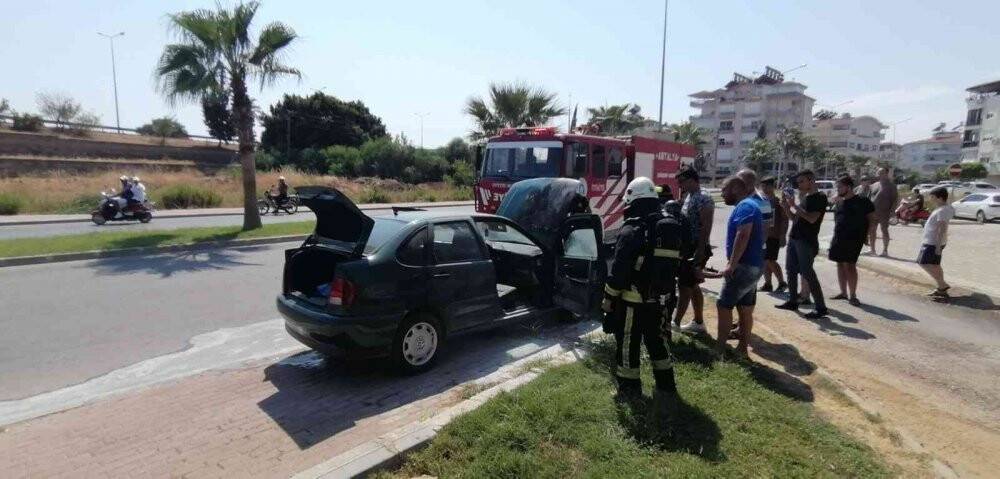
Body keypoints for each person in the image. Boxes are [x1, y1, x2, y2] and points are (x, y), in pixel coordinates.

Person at [601, 177, 683, 422]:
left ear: (631, 199)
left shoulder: (631, 230)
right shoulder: (667, 226)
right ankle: (666, 386)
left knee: (628, 344)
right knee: (657, 342)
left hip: (633, 302)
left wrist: (608, 299)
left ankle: (629, 390)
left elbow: (619, 273)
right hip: (660, 300)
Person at [703, 176, 764, 358]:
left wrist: (731, 265)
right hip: (754, 265)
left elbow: (743, 234)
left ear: (736, 188)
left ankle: (719, 350)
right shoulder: (751, 205)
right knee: (745, 308)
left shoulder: (745, 206)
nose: (722, 193)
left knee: (724, 305)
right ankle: (742, 349)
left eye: (724, 190)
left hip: (744, 267)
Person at [776, 170, 829, 318]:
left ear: (811, 181)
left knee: (807, 273)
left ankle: (821, 307)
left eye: (801, 182)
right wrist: (786, 207)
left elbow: (812, 219)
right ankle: (793, 301)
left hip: (806, 240)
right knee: (790, 270)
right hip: (795, 238)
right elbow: (795, 218)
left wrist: (794, 205)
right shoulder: (806, 198)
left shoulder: (819, 197)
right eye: (798, 182)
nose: (798, 185)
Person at [673, 167, 714, 334]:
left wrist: (700, 250)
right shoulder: (690, 196)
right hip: (689, 246)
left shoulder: (704, 197)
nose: (680, 185)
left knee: (685, 285)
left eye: (682, 182)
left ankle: (674, 323)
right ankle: (698, 322)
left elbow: (706, 226)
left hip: (697, 246)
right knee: (693, 285)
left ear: (692, 179)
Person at [828, 176, 875, 306]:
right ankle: (843, 293)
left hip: (854, 239)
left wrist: (868, 235)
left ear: (848, 187)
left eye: (840, 187)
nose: (838, 190)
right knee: (839, 263)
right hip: (838, 237)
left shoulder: (863, 201)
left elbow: (872, 219)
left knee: (850, 265)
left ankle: (853, 295)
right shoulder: (839, 202)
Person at [918, 187, 954, 301]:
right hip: (935, 242)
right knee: (935, 265)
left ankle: (942, 284)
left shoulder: (943, 210)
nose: (930, 199)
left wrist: (938, 246)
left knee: (923, 263)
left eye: (932, 197)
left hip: (933, 243)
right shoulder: (945, 208)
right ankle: (941, 289)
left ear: (940, 197)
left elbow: (941, 229)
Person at [759, 176, 788, 293]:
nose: (765, 188)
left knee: (770, 260)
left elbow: (785, 220)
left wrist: (783, 235)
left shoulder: (778, 202)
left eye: (767, 186)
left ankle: (782, 282)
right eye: (763, 186)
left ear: (772, 186)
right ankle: (768, 283)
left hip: (774, 236)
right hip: (762, 235)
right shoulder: (762, 201)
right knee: (764, 260)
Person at [870, 167, 898, 256]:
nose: (879, 174)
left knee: (884, 230)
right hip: (873, 212)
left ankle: (885, 251)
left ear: (886, 173)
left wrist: (892, 212)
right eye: (878, 172)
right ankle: (872, 250)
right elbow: (870, 197)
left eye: (881, 172)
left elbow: (895, 200)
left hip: (885, 212)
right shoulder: (874, 185)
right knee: (872, 230)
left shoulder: (891, 186)